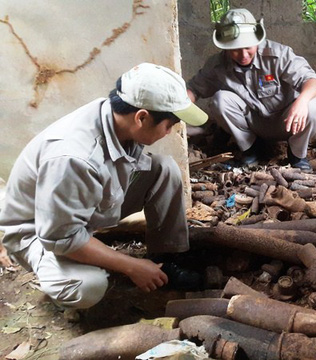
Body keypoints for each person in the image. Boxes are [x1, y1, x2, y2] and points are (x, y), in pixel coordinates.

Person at [0, 63, 208, 310]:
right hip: (38, 230)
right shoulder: (73, 157)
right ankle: (68, 269)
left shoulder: (116, 116)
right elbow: (60, 237)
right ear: (142, 117)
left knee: (164, 169)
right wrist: (130, 265)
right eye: (168, 125)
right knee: (86, 287)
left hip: (77, 211)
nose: (169, 131)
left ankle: (164, 261)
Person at [186, 8, 316, 170]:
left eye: (248, 47)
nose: (243, 54)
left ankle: (297, 155)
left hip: (287, 123)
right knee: (220, 100)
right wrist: (174, 109)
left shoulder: (278, 54)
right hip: (254, 126)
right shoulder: (218, 65)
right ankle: (251, 151)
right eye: (236, 49)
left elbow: (313, 80)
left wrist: (302, 101)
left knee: (315, 106)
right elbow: (193, 90)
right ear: (225, 47)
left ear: (257, 40)